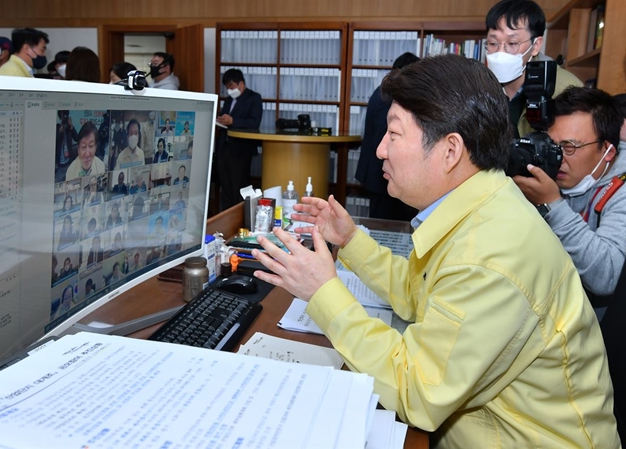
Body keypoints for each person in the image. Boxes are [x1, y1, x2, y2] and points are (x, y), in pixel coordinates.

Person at [250, 54, 619, 447]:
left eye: (393, 135)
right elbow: (419, 296)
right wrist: (352, 241)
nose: (379, 151)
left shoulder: (491, 252)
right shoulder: (483, 205)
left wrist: (323, 291)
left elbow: (417, 390)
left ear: (450, 150)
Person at [513, 87, 626, 440]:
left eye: (571, 148)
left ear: (607, 150)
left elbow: (607, 273)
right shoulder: (551, 177)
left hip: (597, 355)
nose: (557, 158)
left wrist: (553, 205)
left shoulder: (621, 191)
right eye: (552, 144)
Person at [485, 0, 582, 138]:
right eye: (493, 43)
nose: (501, 52)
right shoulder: (480, 86)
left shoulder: (565, 89)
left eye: (512, 43)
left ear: (536, 45)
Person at [356, 52, 419, 221]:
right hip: (380, 172)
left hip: (378, 171)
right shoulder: (392, 97)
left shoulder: (384, 90)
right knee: (382, 224)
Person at [216, 68, 263, 210]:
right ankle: (224, 217)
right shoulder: (229, 99)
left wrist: (233, 121)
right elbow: (224, 117)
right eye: (227, 88)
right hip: (225, 147)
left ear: (241, 84)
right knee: (225, 186)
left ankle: (239, 219)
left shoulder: (254, 98)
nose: (229, 90)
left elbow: (254, 123)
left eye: (231, 87)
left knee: (239, 186)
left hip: (242, 150)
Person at [55, 111, 78, 182]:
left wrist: (71, 127)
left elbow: (77, 138)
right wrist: (60, 131)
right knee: (57, 185)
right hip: (60, 166)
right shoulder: (57, 127)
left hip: (69, 163)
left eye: (66, 116)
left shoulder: (69, 128)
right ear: (60, 117)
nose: (64, 118)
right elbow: (54, 141)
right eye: (63, 116)